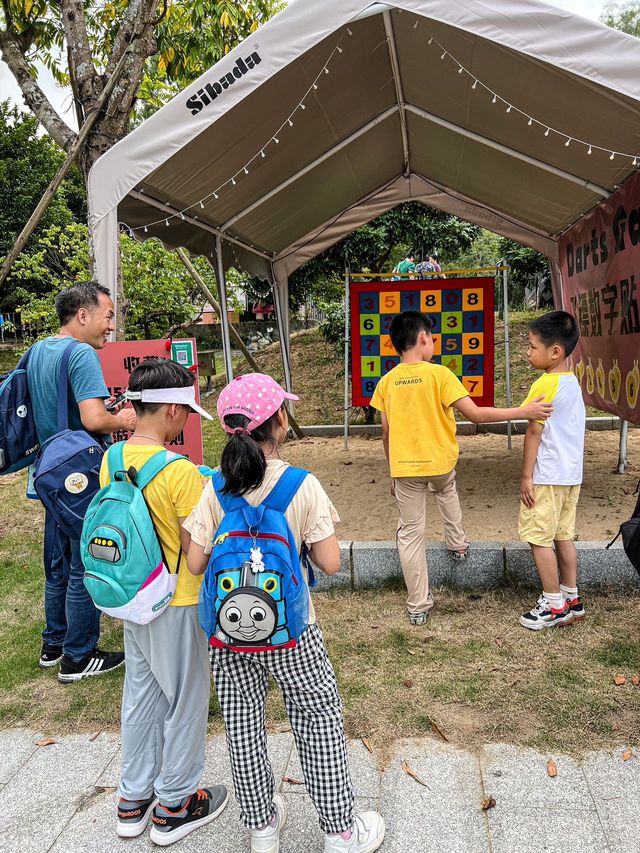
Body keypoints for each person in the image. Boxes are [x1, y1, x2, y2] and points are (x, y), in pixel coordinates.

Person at [184, 373, 385, 853]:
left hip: (228, 639)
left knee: (243, 727)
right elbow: (331, 563)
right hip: (294, 634)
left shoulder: (214, 487)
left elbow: (194, 562)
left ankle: (262, 830)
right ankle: (340, 832)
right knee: (317, 720)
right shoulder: (300, 484)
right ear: (277, 421)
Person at [370, 311, 553, 625]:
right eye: (432, 337)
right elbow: (476, 416)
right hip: (440, 465)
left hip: (404, 470)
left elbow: (386, 433)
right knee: (446, 489)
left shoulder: (386, 383)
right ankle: (457, 543)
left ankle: (418, 605)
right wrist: (524, 410)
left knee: (410, 534)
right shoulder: (440, 375)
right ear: (424, 338)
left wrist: (393, 472)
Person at [110, 358, 228, 845]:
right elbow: (193, 549)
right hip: (176, 600)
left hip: (132, 596)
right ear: (175, 412)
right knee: (185, 698)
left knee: (141, 695)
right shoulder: (179, 471)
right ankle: (177, 803)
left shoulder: (113, 457)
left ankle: (132, 800)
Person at [27, 281, 136, 682]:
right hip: (77, 475)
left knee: (56, 565)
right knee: (82, 563)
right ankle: (78, 654)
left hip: (46, 472)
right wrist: (121, 419)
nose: (111, 325)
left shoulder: (39, 349)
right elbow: (93, 420)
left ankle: (53, 644)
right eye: (108, 316)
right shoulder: (82, 354)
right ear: (83, 314)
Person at [518, 311, 586, 630]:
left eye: (532, 347)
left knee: (538, 537)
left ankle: (553, 602)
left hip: (546, 475)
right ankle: (572, 598)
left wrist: (526, 476)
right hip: (571, 476)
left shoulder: (544, 384)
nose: (528, 353)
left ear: (555, 351)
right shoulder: (572, 381)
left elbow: (534, 432)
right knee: (563, 535)